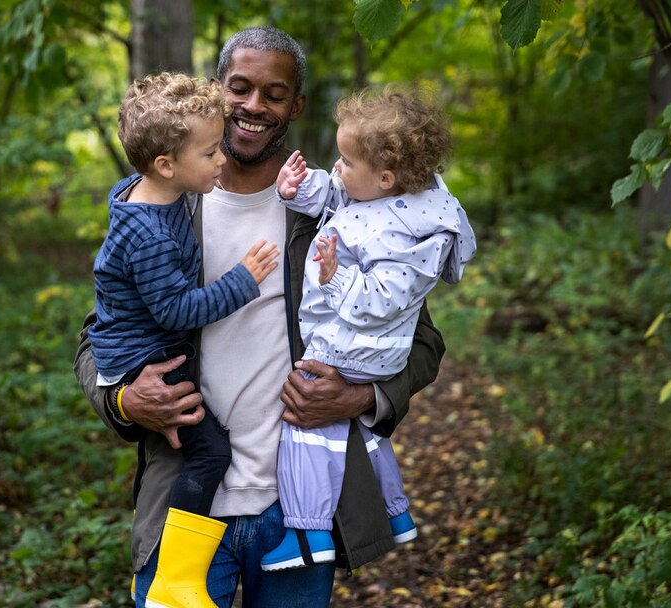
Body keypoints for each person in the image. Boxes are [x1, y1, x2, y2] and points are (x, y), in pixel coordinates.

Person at [74, 26, 446, 607]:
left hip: (296, 509)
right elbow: (97, 340)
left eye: (274, 94)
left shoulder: (341, 207)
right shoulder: (163, 202)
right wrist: (125, 400)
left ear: (295, 106)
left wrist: (362, 399)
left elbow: (421, 342)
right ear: (216, 91)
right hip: (185, 498)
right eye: (239, 88)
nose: (253, 106)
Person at [259, 87, 476, 571]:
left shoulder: (407, 237)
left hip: (357, 347)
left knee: (303, 429)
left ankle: (308, 533)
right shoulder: (381, 195)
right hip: (360, 347)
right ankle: (395, 513)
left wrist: (335, 276)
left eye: (346, 160)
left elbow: (382, 301)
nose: (336, 167)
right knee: (360, 432)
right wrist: (297, 189)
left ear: (386, 176)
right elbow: (336, 191)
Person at [89, 71, 280, 607]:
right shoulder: (149, 230)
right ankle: (176, 576)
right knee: (208, 451)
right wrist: (243, 279)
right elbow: (174, 310)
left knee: (207, 446)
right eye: (210, 152)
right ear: (167, 165)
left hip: (280, 489)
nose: (221, 160)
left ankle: (178, 574)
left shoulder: (148, 191)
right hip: (143, 356)